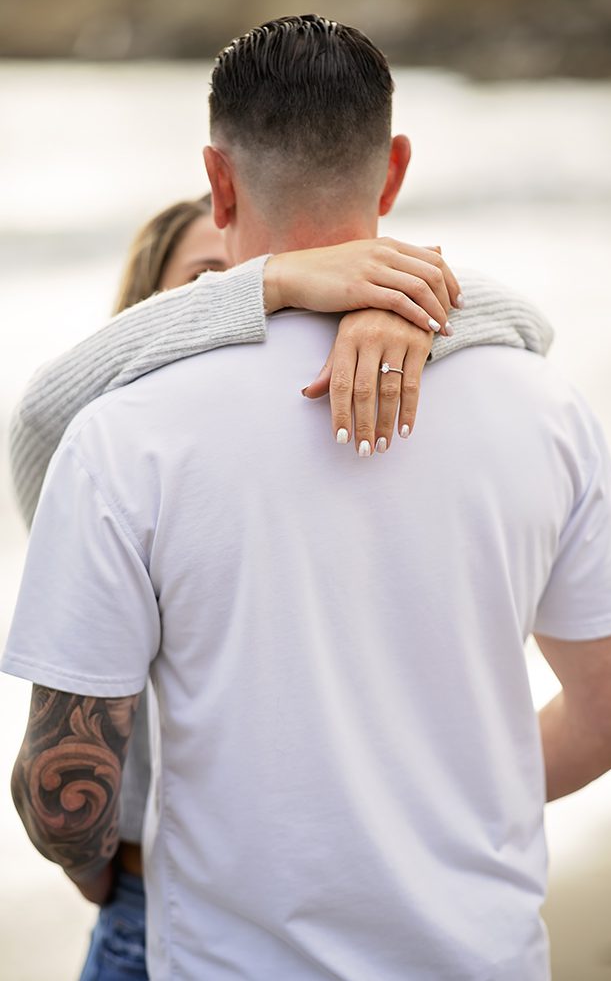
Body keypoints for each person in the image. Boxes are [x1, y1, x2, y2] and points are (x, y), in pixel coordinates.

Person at [4, 15, 611, 980]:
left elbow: (64, 780)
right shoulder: (542, 404)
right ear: (391, 172)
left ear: (218, 181)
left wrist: (111, 875)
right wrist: (458, 805)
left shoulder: (123, 434)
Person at [10, 194, 552, 980]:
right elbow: (39, 416)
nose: (282, 300)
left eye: (303, 284)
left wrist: (402, 311)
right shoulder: (108, 456)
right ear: (147, 317)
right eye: (208, 283)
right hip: (154, 898)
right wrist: (271, 280)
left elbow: (529, 323)